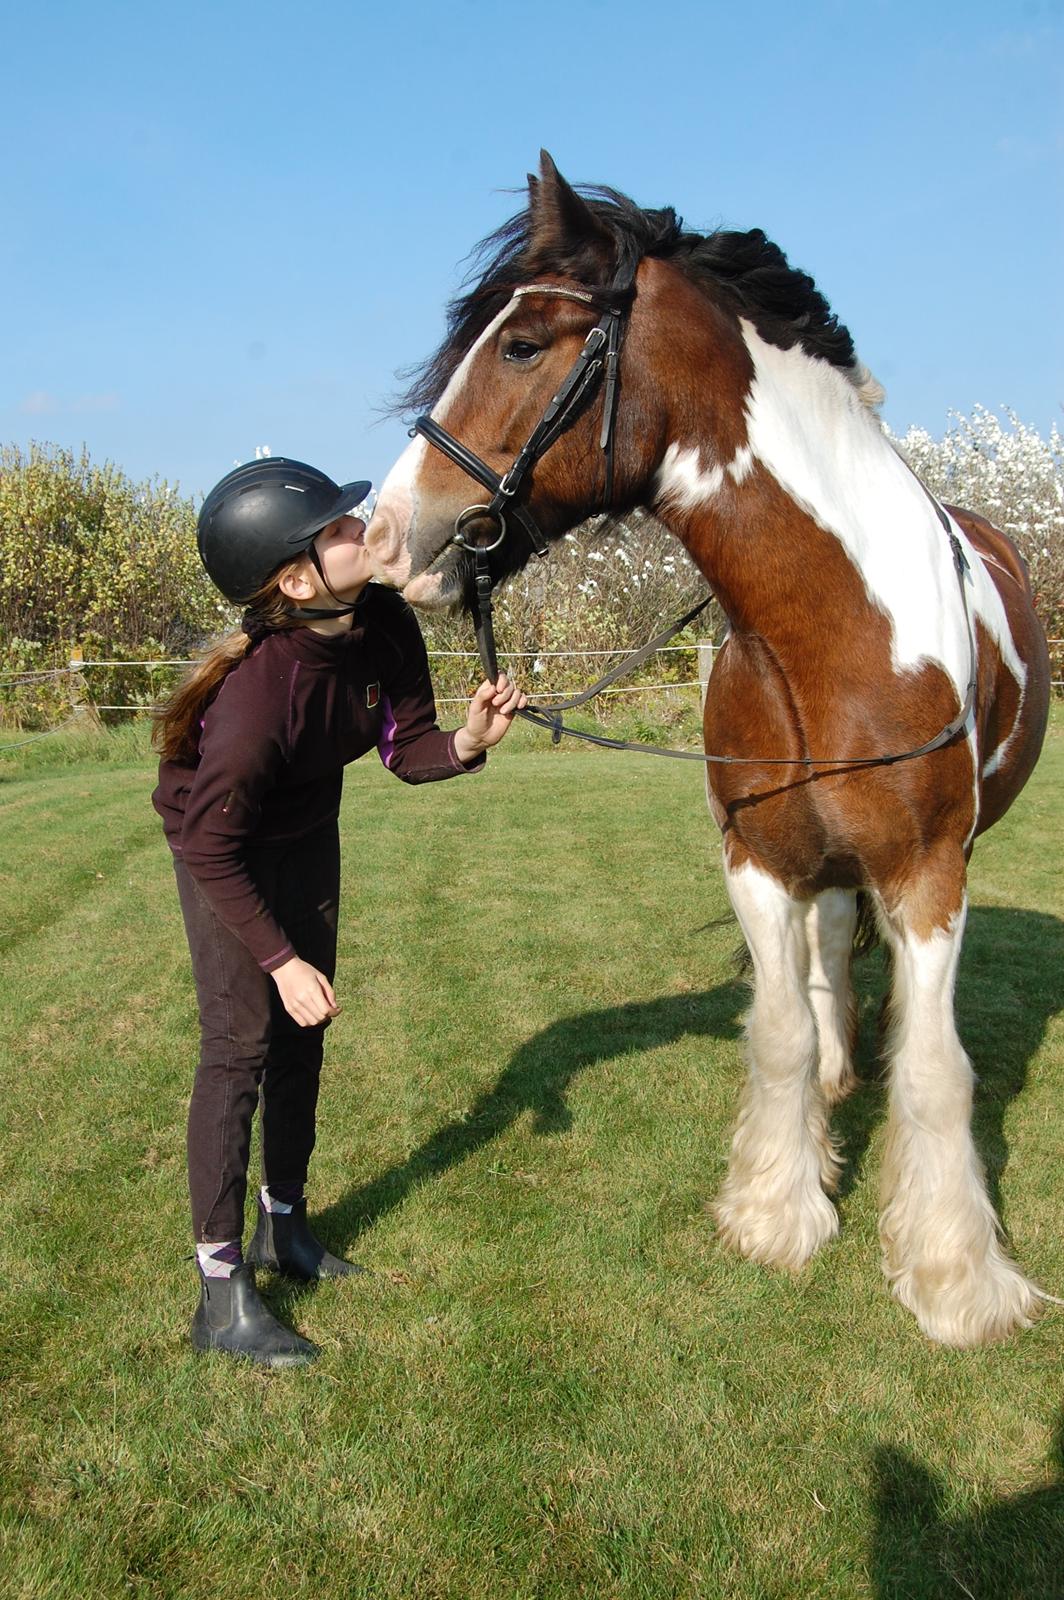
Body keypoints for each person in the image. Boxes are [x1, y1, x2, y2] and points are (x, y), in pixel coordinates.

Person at [152, 457, 525, 1369]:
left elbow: (405, 745)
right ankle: (220, 1292)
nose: (363, 527)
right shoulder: (255, 699)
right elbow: (208, 844)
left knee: (305, 1040)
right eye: (337, 528)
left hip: (308, 831)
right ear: (294, 578)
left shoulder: (382, 623)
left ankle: (287, 1229)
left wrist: (469, 741)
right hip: (224, 852)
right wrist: (278, 960)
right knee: (238, 1049)